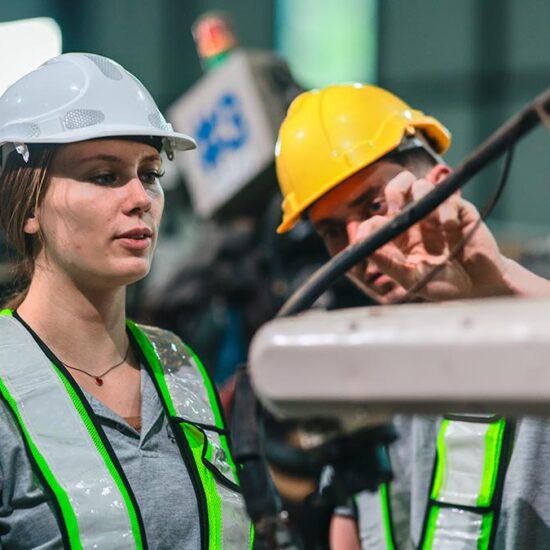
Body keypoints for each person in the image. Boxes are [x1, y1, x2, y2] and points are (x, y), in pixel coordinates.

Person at [275, 83, 550, 549]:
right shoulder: (360, 371)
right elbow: (352, 530)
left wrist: (498, 287)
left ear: (441, 185)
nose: (358, 242)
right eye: (332, 231)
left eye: (374, 206)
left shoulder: (529, 320)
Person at [0, 52, 252, 549]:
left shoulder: (180, 367)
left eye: (150, 173)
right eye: (104, 176)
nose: (140, 197)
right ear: (28, 207)